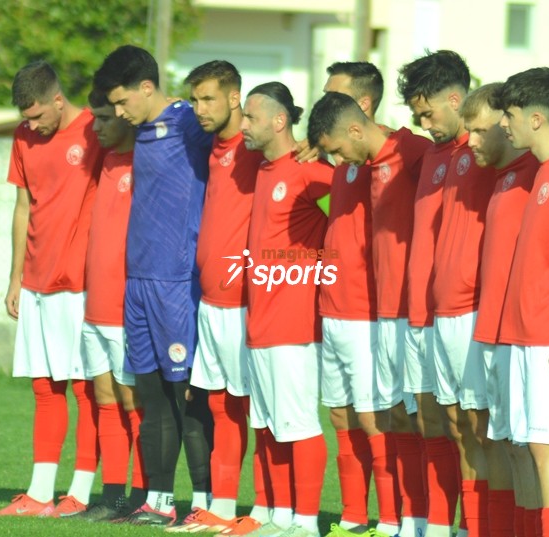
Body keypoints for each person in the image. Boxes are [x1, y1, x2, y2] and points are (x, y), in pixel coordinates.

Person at [462, 83, 549, 537]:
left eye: (509, 115)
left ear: (536, 119)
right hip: (515, 333)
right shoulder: (541, 170)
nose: (503, 124)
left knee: (546, 447)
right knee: (517, 446)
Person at [93, 45, 214, 526]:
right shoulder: (142, 130)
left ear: (147, 88)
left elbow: (237, 136)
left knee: (186, 396)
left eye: (123, 103)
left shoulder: (189, 122)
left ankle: (205, 503)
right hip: (138, 283)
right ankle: (158, 500)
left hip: (176, 283)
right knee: (151, 395)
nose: (119, 113)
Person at [308, 89, 433, 537]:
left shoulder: (410, 150)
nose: (336, 159)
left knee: (386, 415)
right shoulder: (359, 163)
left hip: (380, 311)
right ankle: (356, 517)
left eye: (338, 149)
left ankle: (399, 518)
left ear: (358, 117)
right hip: (342, 307)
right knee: (345, 414)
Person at [0, 61, 102, 518]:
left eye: (37, 115)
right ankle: (38, 495)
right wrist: (15, 276)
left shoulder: (96, 130)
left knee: (85, 390)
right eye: (25, 117)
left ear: (58, 99)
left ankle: (80, 493)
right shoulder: (23, 137)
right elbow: (23, 207)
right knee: (44, 387)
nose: (31, 125)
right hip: (35, 281)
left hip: (79, 283)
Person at [168, 60, 271, 535]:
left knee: (258, 409)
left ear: (235, 98)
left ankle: (269, 511)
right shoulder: (213, 146)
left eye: (208, 98)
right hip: (211, 302)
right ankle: (223, 508)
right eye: (195, 100)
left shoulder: (256, 147)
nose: (199, 108)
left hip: (247, 303)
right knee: (220, 405)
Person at [240, 82, 332, 537]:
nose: (243, 125)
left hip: (293, 324)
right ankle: (280, 517)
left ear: (279, 121)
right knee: (268, 426)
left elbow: (351, 213)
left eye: (250, 117)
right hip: (260, 323)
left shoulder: (310, 170)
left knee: (299, 423)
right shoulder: (265, 170)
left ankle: (307, 523)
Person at [398, 50, 483, 537]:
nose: (424, 124)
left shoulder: (489, 145)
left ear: (455, 100)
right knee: (432, 423)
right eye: (417, 117)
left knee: (468, 426)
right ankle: (435, 526)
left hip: (464, 310)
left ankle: (474, 526)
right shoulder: (430, 152)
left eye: (428, 114)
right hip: (420, 312)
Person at [76, 88, 148, 522]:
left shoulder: (146, 162)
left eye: (105, 118)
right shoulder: (104, 160)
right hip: (95, 304)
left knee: (132, 401)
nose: (97, 127)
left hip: (126, 307)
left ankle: (142, 495)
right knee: (104, 397)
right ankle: (112, 494)